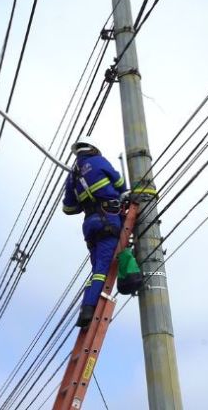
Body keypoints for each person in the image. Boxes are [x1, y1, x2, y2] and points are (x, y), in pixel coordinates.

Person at [61, 135, 129, 328]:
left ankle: (87, 307)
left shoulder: (72, 175)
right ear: (94, 148)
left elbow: (68, 209)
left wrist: (86, 201)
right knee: (102, 268)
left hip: (90, 225)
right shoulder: (98, 161)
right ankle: (89, 308)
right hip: (108, 218)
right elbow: (119, 183)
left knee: (97, 269)